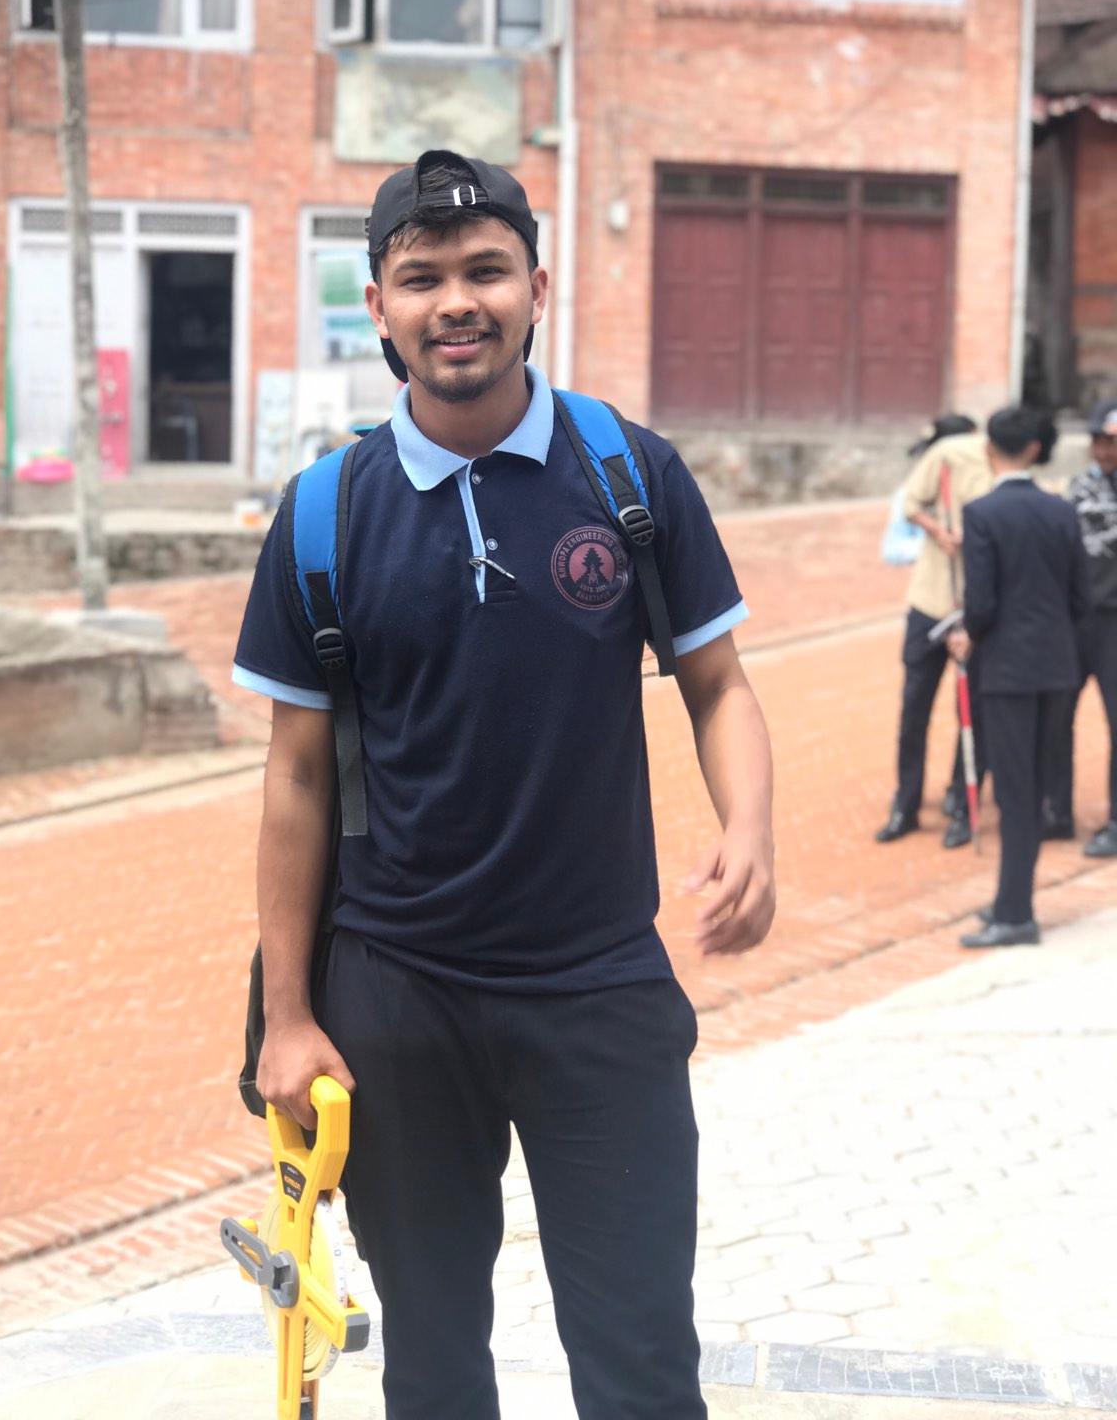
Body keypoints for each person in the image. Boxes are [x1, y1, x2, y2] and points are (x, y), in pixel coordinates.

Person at [232, 149, 775, 1420]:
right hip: (398, 999)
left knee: (641, 1361)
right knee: (431, 1364)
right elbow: (296, 776)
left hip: (598, 983)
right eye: (420, 278)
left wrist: (751, 826)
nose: (454, 300)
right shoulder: (326, 514)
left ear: (538, 285)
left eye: (484, 270)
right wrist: (290, 1015)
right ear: (380, 307)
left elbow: (718, 684)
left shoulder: (628, 475)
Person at [950, 407, 1089, 949]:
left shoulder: (981, 513)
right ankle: (1013, 902)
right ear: (1035, 450)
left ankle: (1016, 912)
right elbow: (1080, 597)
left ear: (990, 450)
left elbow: (980, 603)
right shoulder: (1062, 511)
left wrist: (970, 633)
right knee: (1033, 788)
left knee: (1013, 790)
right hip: (1057, 666)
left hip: (1007, 670)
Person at [875, 416, 991, 849]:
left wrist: (978, 538)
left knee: (973, 713)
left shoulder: (1001, 469)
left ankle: (963, 805)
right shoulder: (938, 462)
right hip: (929, 604)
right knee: (913, 712)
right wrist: (939, 531)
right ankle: (905, 805)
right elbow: (909, 506)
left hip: (977, 607)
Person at [1043, 399, 1117, 857]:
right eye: (1098, 440)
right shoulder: (1078, 488)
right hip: (1075, 622)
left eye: (1110, 442)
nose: (1103, 449)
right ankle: (1057, 811)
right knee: (1056, 718)